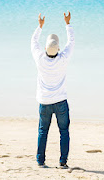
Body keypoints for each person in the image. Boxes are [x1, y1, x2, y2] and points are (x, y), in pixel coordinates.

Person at [30, 11, 75, 169]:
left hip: (44, 101)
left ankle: (40, 161)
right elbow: (72, 42)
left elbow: (33, 42)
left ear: (45, 49)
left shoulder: (40, 58)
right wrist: (67, 23)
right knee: (64, 131)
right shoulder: (63, 59)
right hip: (60, 101)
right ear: (58, 49)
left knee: (43, 131)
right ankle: (63, 162)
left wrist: (40, 26)